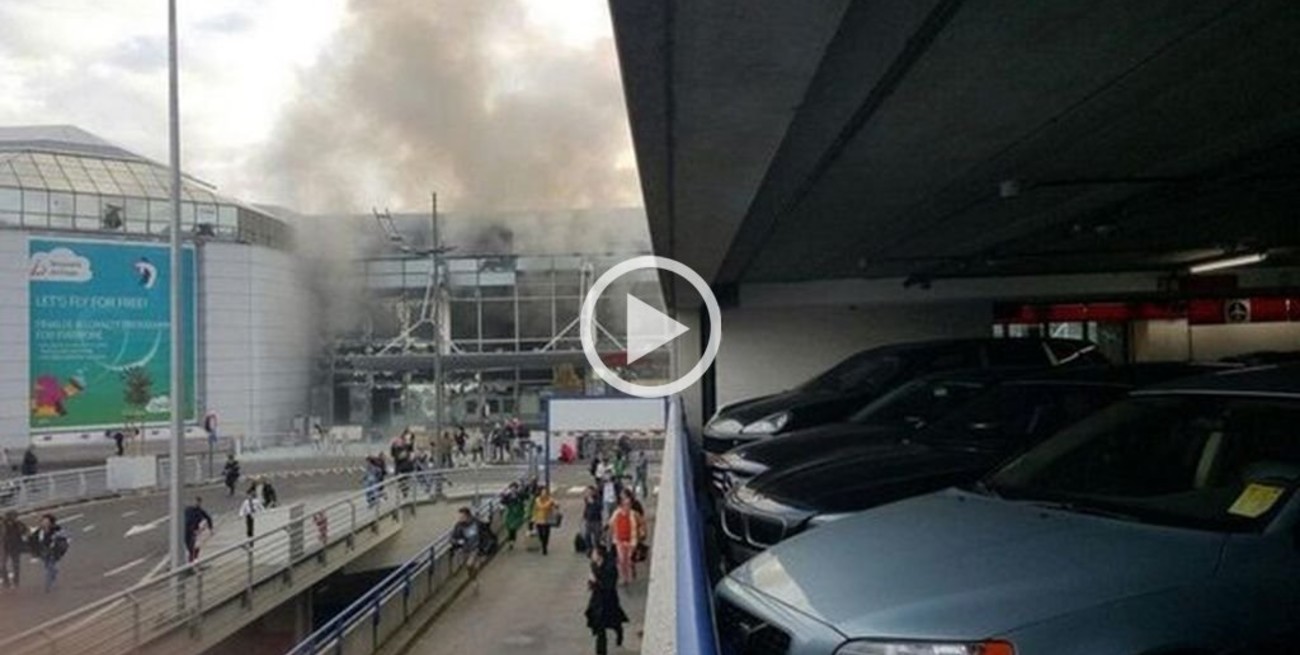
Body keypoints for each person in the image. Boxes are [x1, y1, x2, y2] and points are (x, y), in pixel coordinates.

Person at [585, 545, 628, 655]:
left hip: (609, 600)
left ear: (600, 555)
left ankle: (619, 632)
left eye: (594, 553)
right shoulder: (593, 564)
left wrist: (596, 580)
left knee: (614, 621)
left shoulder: (611, 567)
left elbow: (610, 585)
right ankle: (601, 652)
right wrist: (591, 583)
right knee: (600, 626)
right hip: (597, 600)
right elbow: (593, 581)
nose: (592, 555)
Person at [28, 514, 68, 593]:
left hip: (54, 551)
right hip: (43, 552)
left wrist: (58, 546)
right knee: (48, 567)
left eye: (46, 521)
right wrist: (33, 551)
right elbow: (32, 541)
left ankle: (49, 584)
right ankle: (50, 582)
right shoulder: (39, 531)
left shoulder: (57, 530)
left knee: (51, 567)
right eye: (43, 521)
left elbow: (63, 540)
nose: (44, 523)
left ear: (51, 522)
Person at [608, 492, 642, 585]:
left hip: (631, 540)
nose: (627, 506)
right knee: (622, 559)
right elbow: (611, 524)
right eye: (625, 504)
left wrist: (641, 535)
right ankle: (624, 578)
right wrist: (610, 537)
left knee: (629, 559)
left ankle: (631, 569)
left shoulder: (634, 514)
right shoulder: (617, 513)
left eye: (629, 504)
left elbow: (641, 524)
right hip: (619, 539)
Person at [449, 507, 483, 589]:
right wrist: (458, 542)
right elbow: (452, 538)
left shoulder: (475, 522)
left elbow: (483, 530)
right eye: (459, 517)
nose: (460, 518)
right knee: (470, 567)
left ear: (468, 516)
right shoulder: (458, 526)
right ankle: (474, 580)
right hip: (466, 549)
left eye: (462, 517)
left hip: (476, 548)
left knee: (469, 564)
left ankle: (474, 580)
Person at [1, 511, 28, 588]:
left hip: (15, 547)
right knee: (2, 565)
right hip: (4, 547)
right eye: (13, 517)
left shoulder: (19, 524)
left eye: (15, 517)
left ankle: (16, 581)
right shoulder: (2, 525)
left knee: (16, 565)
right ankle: (6, 581)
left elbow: (26, 532)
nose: (15, 519)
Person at [183, 497, 214, 563]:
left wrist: (210, 528)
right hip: (186, 530)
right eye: (196, 502)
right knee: (189, 546)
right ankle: (192, 561)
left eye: (198, 502)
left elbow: (208, 518)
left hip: (193, 531)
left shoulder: (200, 511)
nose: (197, 504)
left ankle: (192, 561)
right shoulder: (188, 509)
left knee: (193, 547)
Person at [531, 487, 558, 556]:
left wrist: (555, 505)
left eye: (545, 492)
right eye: (543, 492)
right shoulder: (537, 500)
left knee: (546, 533)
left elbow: (556, 506)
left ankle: (544, 547)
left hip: (547, 518)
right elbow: (536, 508)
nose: (544, 493)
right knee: (540, 533)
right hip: (539, 518)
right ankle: (543, 543)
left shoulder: (550, 499)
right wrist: (533, 518)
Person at [500, 482, 528, 550]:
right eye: (511, 488)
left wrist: (522, 492)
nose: (513, 489)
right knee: (510, 527)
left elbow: (526, 496)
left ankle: (513, 541)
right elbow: (503, 502)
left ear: (516, 488)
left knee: (515, 527)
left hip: (518, 513)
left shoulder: (519, 494)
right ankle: (511, 541)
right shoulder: (508, 495)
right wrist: (503, 494)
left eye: (514, 488)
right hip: (510, 513)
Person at [581, 485, 603, 554]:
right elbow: (587, 508)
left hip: (596, 520)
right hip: (589, 519)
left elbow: (600, 507)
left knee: (597, 536)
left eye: (590, 491)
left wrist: (593, 502)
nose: (588, 493)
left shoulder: (597, 498)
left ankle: (597, 548)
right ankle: (589, 548)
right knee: (587, 534)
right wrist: (584, 516)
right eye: (587, 491)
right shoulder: (587, 499)